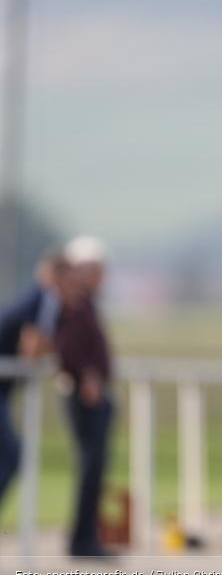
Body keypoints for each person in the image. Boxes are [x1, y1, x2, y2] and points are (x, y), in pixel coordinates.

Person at [55, 236, 116, 557]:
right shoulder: (74, 304)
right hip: (84, 398)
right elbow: (66, 348)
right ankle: (83, 541)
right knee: (90, 467)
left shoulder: (84, 303)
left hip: (93, 395)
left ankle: (87, 537)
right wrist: (87, 376)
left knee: (95, 468)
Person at [0, 251, 68, 512]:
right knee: (12, 456)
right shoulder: (41, 300)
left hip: (5, 388)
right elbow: (32, 349)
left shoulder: (39, 299)